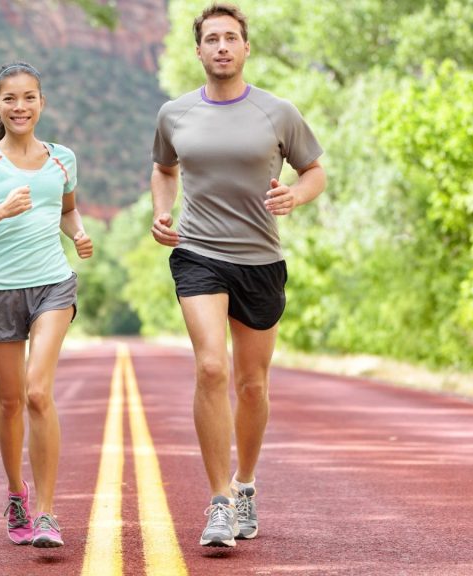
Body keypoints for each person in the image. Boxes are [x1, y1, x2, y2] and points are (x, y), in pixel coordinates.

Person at [150, 3, 327, 548]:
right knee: (210, 368)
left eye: (231, 38)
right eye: (212, 39)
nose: (222, 46)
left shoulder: (278, 113)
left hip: (261, 260)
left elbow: (314, 169)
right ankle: (220, 501)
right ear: (198, 50)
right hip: (198, 253)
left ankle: (246, 483)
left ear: (246, 49)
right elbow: (164, 167)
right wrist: (161, 209)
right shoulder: (174, 114)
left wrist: (296, 194)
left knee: (252, 384)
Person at [0, 61, 93, 549]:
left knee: (36, 393)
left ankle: (47, 514)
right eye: (10, 98)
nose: (20, 106)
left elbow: (67, 210)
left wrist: (79, 233)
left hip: (52, 284)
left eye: (29, 97)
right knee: (10, 403)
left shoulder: (62, 158)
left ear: (41, 103)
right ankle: (17, 495)